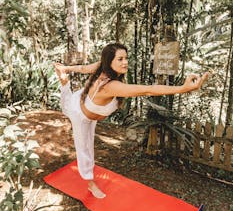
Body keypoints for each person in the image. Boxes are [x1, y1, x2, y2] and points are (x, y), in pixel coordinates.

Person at [54, 43, 209, 199]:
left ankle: (63, 78)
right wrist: (182, 88)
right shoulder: (111, 86)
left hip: (86, 103)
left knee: (81, 130)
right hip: (79, 113)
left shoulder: (105, 70)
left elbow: (83, 69)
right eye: (120, 59)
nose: (125, 62)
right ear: (109, 62)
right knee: (84, 147)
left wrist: (67, 68)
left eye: (126, 58)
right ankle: (90, 182)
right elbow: (149, 89)